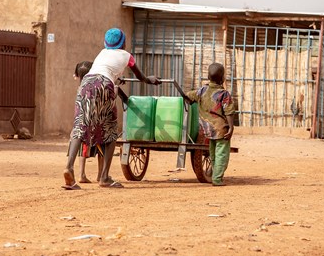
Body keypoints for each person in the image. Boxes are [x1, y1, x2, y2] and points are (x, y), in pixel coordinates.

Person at [62, 28, 160, 190]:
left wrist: (116, 77)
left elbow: (104, 70)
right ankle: (104, 177)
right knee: (110, 131)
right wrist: (150, 80)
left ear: (106, 43)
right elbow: (140, 77)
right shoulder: (127, 56)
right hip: (104, 85)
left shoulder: (102, 53)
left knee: (80, 125)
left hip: (86, 83)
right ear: (123, 42)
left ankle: (69, 168)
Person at [183, 63, 235, 186]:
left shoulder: (202, 91)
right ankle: (217, 179)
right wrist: (231, 127)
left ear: (207, 76)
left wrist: (190, 100)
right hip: (221, 129)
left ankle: (213, 174)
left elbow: (187, 96)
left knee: (212, 152)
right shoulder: (224, 94)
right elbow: (229, 111)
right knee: (221, 153)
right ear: (223, 78)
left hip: (206, 129)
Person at [71, 61, 99, 184]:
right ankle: (101, 174)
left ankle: (81, 174)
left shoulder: (80, 88)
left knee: (82, 146)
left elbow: (75, 76)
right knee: (101, 145)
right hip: (93, 119)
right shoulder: (93, 87)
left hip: (80, 119)